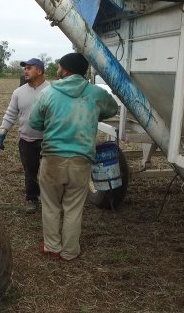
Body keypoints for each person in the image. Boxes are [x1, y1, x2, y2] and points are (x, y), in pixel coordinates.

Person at [29, 52, 118, 261]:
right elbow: (112, 108)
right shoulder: (95, 93)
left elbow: (34, 123)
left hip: (52, 159)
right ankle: (70, 252)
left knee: (50, 206)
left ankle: (52, 247)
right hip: (81, 160)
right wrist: (94, 112)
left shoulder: (47, 93)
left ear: (66, 70)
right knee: (73, 208)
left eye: (59, 66)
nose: (57, 69)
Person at [0, 58, 50, 214]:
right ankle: (32, 198)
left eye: (29, 68)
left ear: (39, 71)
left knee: (51, 173)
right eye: (24, 68)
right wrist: (2, 132)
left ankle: (50, 200)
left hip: (49, 141)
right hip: (27, 141)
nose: (25, 71)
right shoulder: (19, 92)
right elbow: (11, 113)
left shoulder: (52, 90)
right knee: (30, 172)